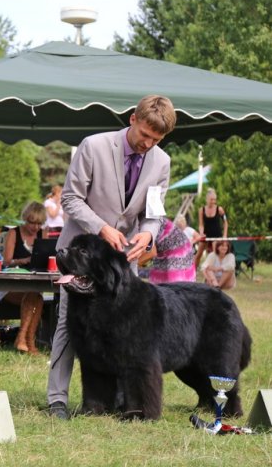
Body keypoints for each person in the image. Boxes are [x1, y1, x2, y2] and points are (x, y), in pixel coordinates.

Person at [47, 95, 176, 420]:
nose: (148, 143)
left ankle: (120, 398)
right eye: (145, 134)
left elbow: (154, 212)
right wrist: (102, 228)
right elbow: (72, 200)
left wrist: (148, 233)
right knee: (69, 322)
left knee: (123, 329)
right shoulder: (93, 146)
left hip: (123, 260)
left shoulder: (162, 162)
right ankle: (57, 399)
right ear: (133, 119)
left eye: (156, 140)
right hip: (83, 253)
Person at [1, 201, 47, 355]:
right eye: (32, 222)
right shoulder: (13, 233)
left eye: (39, 224)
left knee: (37, 296)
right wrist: (24, 260)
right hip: (11, 286)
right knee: (34, 295)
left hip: (32, 285)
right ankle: (27, 341)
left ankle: (25, 339)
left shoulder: (43, 234)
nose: (35, 227)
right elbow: (6, 261)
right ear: (25, 218)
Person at [145, 217, 196, 283]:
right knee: (157, 286)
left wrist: (131, 263)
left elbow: (151, 252)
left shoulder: (147, 220)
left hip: (179, 250)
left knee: (175, 287)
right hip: (162, 252)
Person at [194, 188, 228, 268]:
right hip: (206, 234)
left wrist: (224, 235)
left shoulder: (219, 209)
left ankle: (213, 274)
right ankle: (192, 273)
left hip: (216, 235)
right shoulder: (201, 210)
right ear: (207, 199)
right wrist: (201, 232)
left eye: (214, 200)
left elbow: (225, 222)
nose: (213, 201)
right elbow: (201, 224)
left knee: (214, 255)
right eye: (211, 199)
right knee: (198, 254)